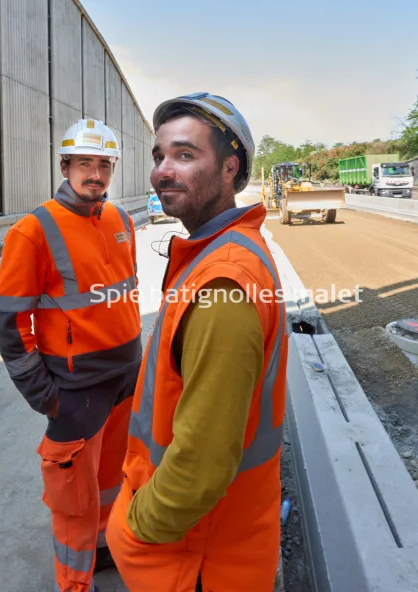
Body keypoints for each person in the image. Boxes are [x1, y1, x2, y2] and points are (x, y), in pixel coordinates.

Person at [105, 93, 289, 591]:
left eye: (185, 155)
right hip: (211, 546)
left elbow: (201, 467)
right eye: (159, 156)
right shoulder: (219, 254)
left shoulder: (223, 282)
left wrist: (135, 527)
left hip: (195, 560)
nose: (164, 170)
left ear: (230, 168)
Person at [0, 118, 142, 592]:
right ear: (64, 165)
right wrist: (44, 394)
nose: (94, 174)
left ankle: (102, 549)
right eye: (84, 164)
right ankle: (75, 584)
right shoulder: (33, 232)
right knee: (73, 498)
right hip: (76, 391)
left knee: (111, 481)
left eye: (103, 164)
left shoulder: (120, 220)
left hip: (125, 380)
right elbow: (11, 322)